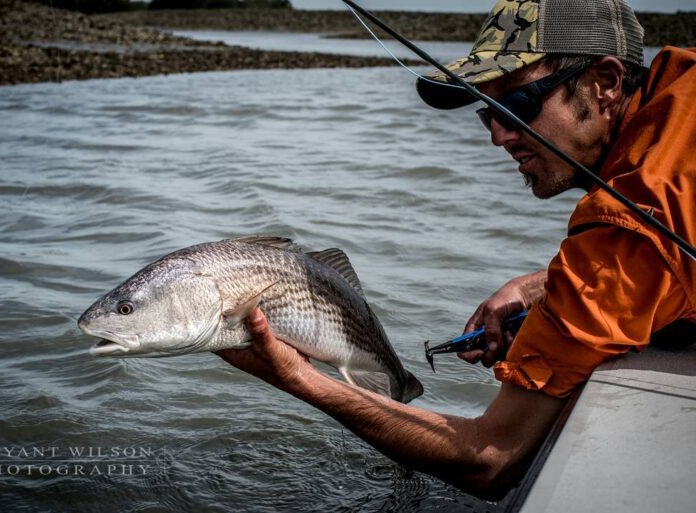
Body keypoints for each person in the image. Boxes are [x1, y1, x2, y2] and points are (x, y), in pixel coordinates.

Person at [218, 0, 696, 499]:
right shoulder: (681, 82)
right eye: (489, 113)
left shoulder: (632, 219)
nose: (498, 136)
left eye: (518, 106)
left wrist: (298, 377)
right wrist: (539, 287)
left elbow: (488, 460)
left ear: (606, 82)